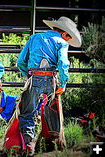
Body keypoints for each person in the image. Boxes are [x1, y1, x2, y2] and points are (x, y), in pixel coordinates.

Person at [17, 16, 82, 154]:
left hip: (34, 78)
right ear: (64, 33)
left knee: (28, 112)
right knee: (51, 111)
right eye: (67, 38)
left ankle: (28, 144)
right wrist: (63, 84)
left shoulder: (34, 38)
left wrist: (28, 76)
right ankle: (53, 141)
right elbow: (63, 64)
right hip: (50, 79)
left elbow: (21, 61)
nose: (67, 41)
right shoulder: (61, 43)